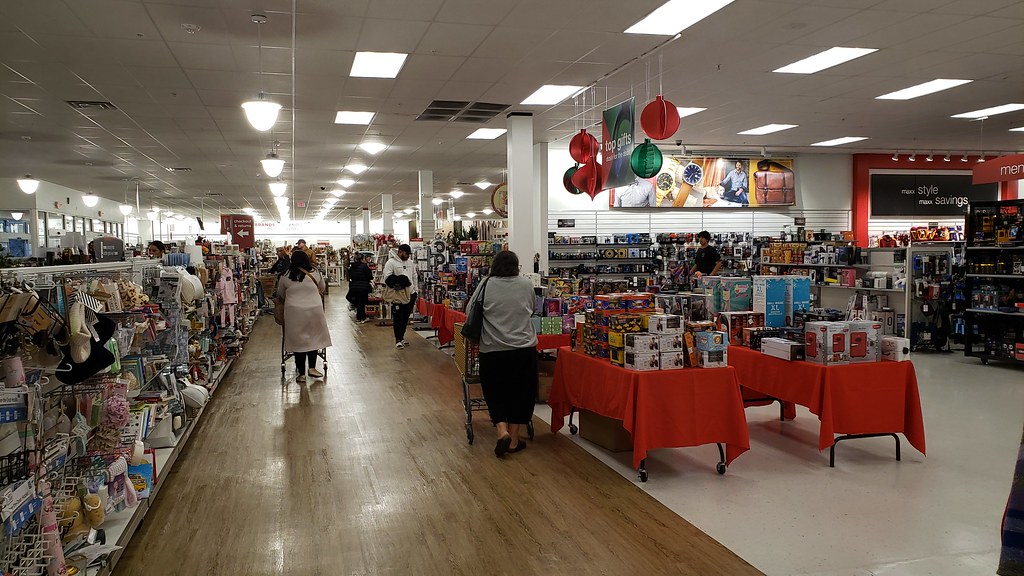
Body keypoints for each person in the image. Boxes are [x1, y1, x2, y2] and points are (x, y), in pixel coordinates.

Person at [465, 250, 538, 457]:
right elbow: (531, 309)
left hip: (492, 350)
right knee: (521, 393)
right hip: (523, 349)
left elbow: (470, 310)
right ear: (516, 266)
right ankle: (514, 440)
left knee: (495, 392)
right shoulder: (526, 284)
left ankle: (501, 431)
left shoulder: (486, 284)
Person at [276, 250, 331, 383]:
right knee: (314, 338)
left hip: (294, 312)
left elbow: (281, 293)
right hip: (314, 310)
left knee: (298, 341)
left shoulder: (285, 275)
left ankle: (301, 374)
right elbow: (322, 288)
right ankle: (312, 368)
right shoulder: (315, 272)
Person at [382, 244, 418, 348]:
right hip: (398, 295)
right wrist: (401, 281)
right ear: (400, 252)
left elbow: (414, 276)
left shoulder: (410, 263)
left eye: (409, 254)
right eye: (406, 254)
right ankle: (397, 339)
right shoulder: (391, 263)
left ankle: (402, 337)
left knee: (406, 317)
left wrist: (415, 290)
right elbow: (387, 278)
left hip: (410, 294)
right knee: (398, 317)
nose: (408, 256)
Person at [347, 253, 373, 324]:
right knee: (362, 302)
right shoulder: (364, 266)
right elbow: (370, 276)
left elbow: (350, 276)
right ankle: (362, 318)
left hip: (354, 287)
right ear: (362, 259)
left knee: (358, 302)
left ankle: (359, 317)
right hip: (363, 287)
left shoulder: (352, 266)